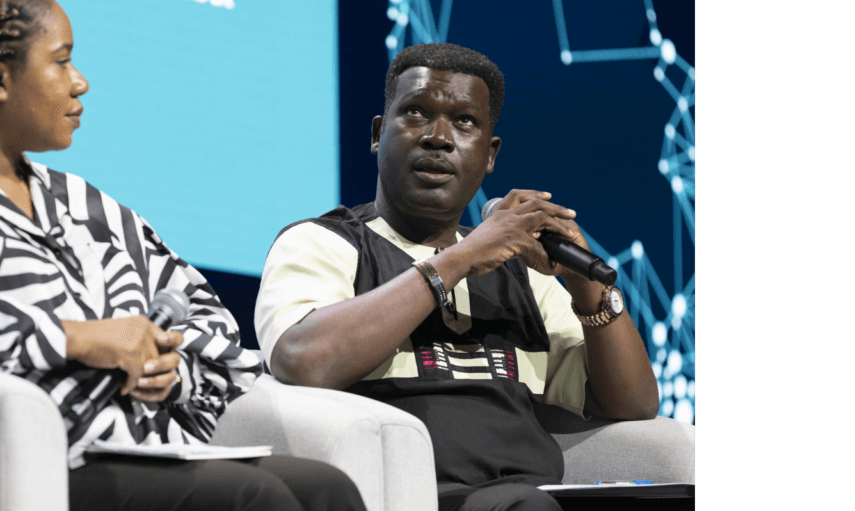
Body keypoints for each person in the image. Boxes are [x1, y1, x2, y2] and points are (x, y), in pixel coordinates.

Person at [0, 0, 364, 511]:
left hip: (148, 450)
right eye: (60, 62)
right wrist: (77, 337)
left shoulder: (86, 204)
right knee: (255, 500)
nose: (79, 81)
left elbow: (206, 312)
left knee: (325, 488)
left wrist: (170, 369)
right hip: (28, 465)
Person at [254, 43, 659, 510]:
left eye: (464, 121)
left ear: (490, 155)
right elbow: (302, 362)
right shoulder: (324, 242)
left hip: (527, 496)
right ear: (378, 134)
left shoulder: (524, 274)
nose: (438, 137)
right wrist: (459, 259)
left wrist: (587, 287)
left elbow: (633, 406)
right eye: (416, 113)